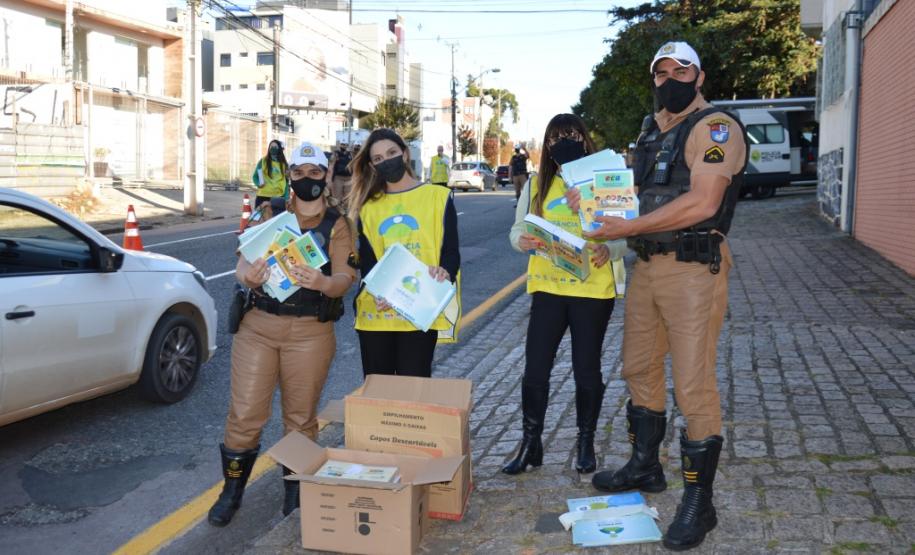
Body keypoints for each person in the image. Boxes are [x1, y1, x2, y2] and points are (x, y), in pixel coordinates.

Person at [568, 41, 747, 550]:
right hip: (646, 264)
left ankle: (699, 503)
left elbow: (704, 199)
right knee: (639, 367)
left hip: (692, 268)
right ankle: (646, 466)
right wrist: (590, 201)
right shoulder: (652, 130)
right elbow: (626, 191)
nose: (670, 78)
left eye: (680, 70)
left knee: (693, 384)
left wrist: (630, 224)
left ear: (699, 74)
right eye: (661, 71)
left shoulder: (716, 128)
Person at [208, 141, 357, 527]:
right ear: (289, 176)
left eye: (314, 172)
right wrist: (249, 275)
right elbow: (242, 263)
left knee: (300, 417)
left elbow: (346, 278)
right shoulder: (270, 213)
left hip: (310, 332)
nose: (306, 180)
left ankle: (295, 490)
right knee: (245, 414)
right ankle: (232, 491)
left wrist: (324, 282)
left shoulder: (338, 224)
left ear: (326, 175)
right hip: (258, 327)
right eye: (299, 173)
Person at [504, 113, 627, 476]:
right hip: (547, 287)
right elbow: (515, 231)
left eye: (572, 134)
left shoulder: (601, 181)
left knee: (586, 370)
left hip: (592, 290)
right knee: (535, 370)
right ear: (547, 145)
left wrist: (611, 248)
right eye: (557, 138)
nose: (565, 142)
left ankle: (586, 442)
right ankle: (531, 443)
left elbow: (624, 233)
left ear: (585, 139)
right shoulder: (536, 186)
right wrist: (521, 241)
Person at [349, 128, 460, 377]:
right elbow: (367, 262)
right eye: (378, 159)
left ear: (405, 153)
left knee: (413, 396)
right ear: (372, 165)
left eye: (391, 153)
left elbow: (451, 253)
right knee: (380, 397)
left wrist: (445, 272)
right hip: (376, 312)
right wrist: (381, 291)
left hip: (418, 308)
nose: (386, 161)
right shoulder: (368, 208)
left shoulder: (438, 197)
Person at [252, 139, 289, 207]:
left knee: (276, 217)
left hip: (279, 198)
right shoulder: (263, 161)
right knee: (259, 217)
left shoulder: (284, 165)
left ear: (280, 149)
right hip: (263, 196)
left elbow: (286, 183)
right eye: (271, 146)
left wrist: (286, 198)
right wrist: (258, 184)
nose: (273, 148)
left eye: (275, 147)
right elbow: (255, 177)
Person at [327, 142, 353, 207]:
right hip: (338, 178)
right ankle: (337, 212)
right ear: (340, 145)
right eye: (343, 144)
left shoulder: (350, 154)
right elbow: (331, 162)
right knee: (337, 198)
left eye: (345, 144)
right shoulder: (336, 153)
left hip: (348, 178)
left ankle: (345, 213)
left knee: (347, 198)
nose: (344, 146)